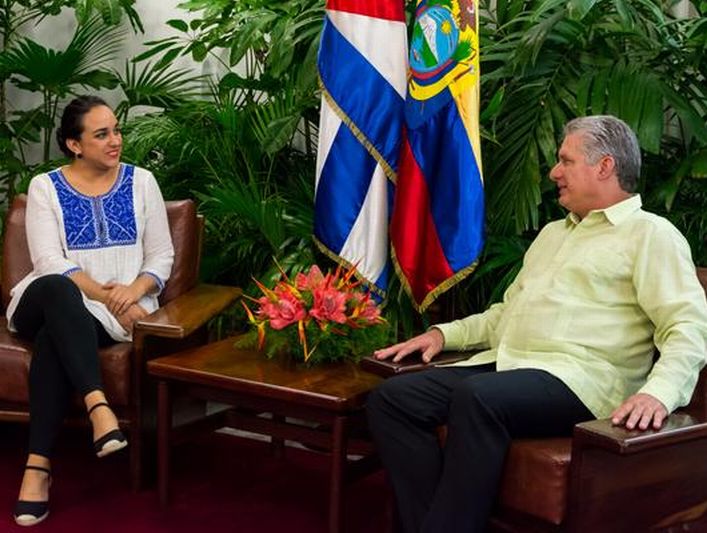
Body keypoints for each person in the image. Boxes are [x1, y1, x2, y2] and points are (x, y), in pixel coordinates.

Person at [367, 115, 707, 533]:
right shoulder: (551, 234)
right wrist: (443, 334)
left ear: (604, 166)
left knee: (478, 398)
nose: (554, 172)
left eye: (565, 161)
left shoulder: (652, 235)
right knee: (393, 399)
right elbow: (505, 314)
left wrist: (659, 393)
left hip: (583, 381)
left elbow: (687, 326)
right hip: (510, 367)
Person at [8, 95, 174, 527]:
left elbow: (161, 256)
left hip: (103, 314)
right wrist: (106, 296)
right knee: (58, 290)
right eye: (102, 134)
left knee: (54, 338)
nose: (115, 140)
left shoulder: (142, 182)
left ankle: (37, 469)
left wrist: (135, 290)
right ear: (74, 144)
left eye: (116, 130)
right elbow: (48, 262)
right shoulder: (46, 186)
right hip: (46, 299)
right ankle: (98, 404)